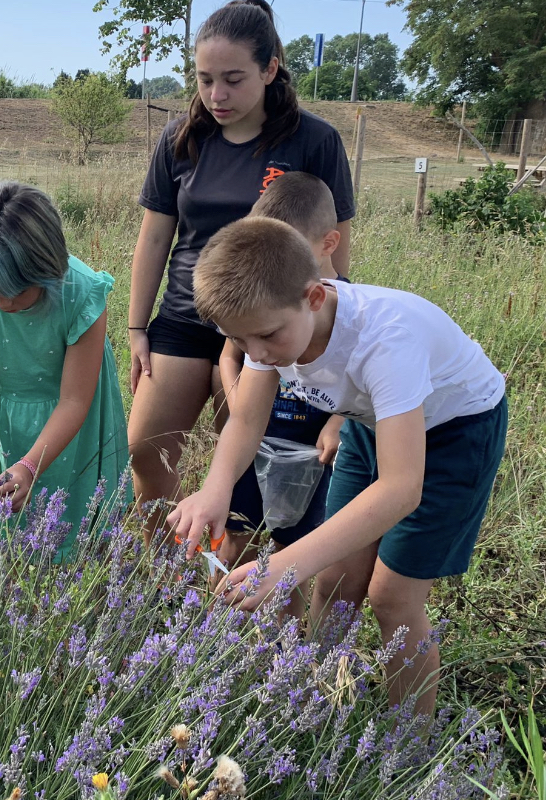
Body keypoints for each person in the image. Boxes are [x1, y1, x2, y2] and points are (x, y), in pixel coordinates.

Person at [171, 217, 507, 716]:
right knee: (332, 580)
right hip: (373, 425)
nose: (257, 355)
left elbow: (400, 489)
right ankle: (319, 704)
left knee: (392, 598)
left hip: (455, 431)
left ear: (314, 297)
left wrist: (280, 566)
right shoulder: (268, 326)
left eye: (265, 337)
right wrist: (214, 490)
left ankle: (406, 750)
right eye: (241, 342)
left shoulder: (384, 341)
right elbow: (246, 418)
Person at [127, 0, 355, 543]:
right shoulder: (182, 137)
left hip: (271, 321)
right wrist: (138, 326)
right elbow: (156, 236)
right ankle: (161, 560)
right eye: (205, 80)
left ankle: (236, 572)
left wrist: (337, 345)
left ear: (270, 68)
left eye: (232, 79)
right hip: (186, 314)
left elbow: (336, 249)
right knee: (143, 443)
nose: (216, 96)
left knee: (254, 455)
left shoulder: (314, 141)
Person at [0, 181, 130, 558]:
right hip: (7, 413)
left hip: (76, 420)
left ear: (48, 269)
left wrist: (29, 465)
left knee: (76, 536)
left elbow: (75, 399)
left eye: (17, 291)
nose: (3, 303)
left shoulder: (81, 292)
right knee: (0, 535)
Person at [214, 172, 347, 618]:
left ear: (328, 243)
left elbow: (363, 389)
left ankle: (283, 648)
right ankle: (218, 627)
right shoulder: (261, 305)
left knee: (292, 552)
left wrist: (337, 421)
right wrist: (239, 401)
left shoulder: (341, 306)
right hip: (261, 441)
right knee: (236, 534)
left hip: (313, 454)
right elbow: (232, 355)